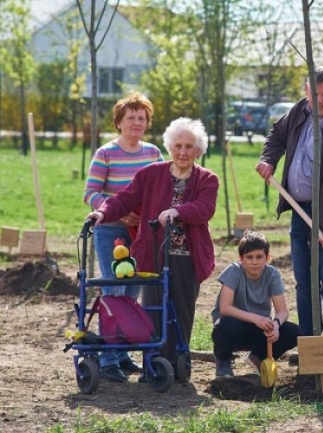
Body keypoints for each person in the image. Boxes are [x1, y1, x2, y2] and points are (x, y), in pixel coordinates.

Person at [85, 117, 219, 375]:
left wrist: (176, 212)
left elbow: (205, 209)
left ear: (198, 150)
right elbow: (125, 199)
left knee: (181, 310)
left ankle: (179, 363)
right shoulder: (151, 174)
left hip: (187, 255)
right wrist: (102, 213)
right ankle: (153, 366)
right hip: (154, 255)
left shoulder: (207, 179)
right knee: (153, 310)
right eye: (178, 145)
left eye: (189, 146)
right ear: (169, 147)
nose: (182, 151)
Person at [255, 66, 323, 366]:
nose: (321, 100)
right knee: (305, 281)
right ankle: (312, 343)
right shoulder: (301, 109)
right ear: (306, 91)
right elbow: (277, 135)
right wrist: (268, 160)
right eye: (315, 95)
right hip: (299, 211)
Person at [82, 90, 163, 382]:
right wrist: (118, 212)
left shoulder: (153, 153)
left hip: (141, 232)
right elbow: (90, 193)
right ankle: (107, 359)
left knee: (133, 291)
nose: (136, 123)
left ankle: (123, 353)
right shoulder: (106, 153)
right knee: (114, 290)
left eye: (141, 118)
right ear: (119, 122)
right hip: (111, 231)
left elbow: (163, 187)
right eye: (130, 118)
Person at [211, 230, 302, 378]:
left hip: (259, 328)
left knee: (294, 332)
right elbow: (225, 309)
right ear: (241, 258)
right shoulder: (233, 271)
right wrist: (255, 318)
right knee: (225, 325)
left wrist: (277, 325)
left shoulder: (272, 274)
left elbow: (282, 311)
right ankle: (223, 360)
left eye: (259, 257)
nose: (254, 262)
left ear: (267, 257)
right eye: (249, 257)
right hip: (235, 326)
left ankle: (258, 358)